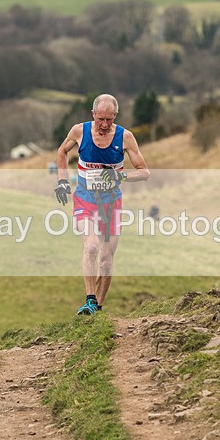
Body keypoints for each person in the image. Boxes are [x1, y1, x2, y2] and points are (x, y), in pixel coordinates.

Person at [55, 94, 150, 315]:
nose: (105, 125)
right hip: (84, 199)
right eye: (101, 119)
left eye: (110, 119)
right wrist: (61, 181)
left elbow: (145, 172)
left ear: (115, 116)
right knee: (91, 246)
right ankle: (89, 300)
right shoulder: (79, 131)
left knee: (106, 260)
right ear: (93, 115)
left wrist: (121, 176)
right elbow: (62, 152)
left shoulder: (125, 137)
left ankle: (97, 306)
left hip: (111, 203)